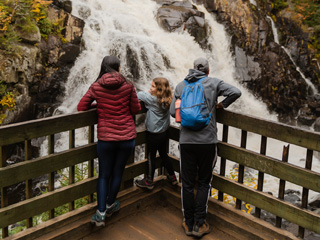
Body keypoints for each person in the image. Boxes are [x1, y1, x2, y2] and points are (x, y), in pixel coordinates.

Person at [170, 57, 241, 237]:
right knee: (203, 182)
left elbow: (172, 112)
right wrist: (221, 104)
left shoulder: (180, 86)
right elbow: (236, 92)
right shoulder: (214, 83)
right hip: (207, 141)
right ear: (208, 71)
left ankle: (188, 222)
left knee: (187, 184)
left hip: (186, 142)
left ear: (192, 69)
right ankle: (200, 224)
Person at [77, 56, 141, 227]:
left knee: (104, 175)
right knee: (118, 172)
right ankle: (111, 204)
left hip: (106, 138)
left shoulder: (97, 86)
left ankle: (100, 213)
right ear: (118, 68)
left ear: (104, 68)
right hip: (126, 137)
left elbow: (81, 107)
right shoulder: (128, 85)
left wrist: (99, 105)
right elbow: (136, 109)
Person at [135, 78, 177, 190]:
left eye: (153, 86)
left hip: (153, 134)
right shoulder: (168, 99)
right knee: (164, 154)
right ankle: (172, 177)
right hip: (164, 133)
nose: (150, 88)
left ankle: (149, 181)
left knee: (151, 157)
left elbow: (139, 94)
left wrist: (148, 93)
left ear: (159, 89)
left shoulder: (152, 100)